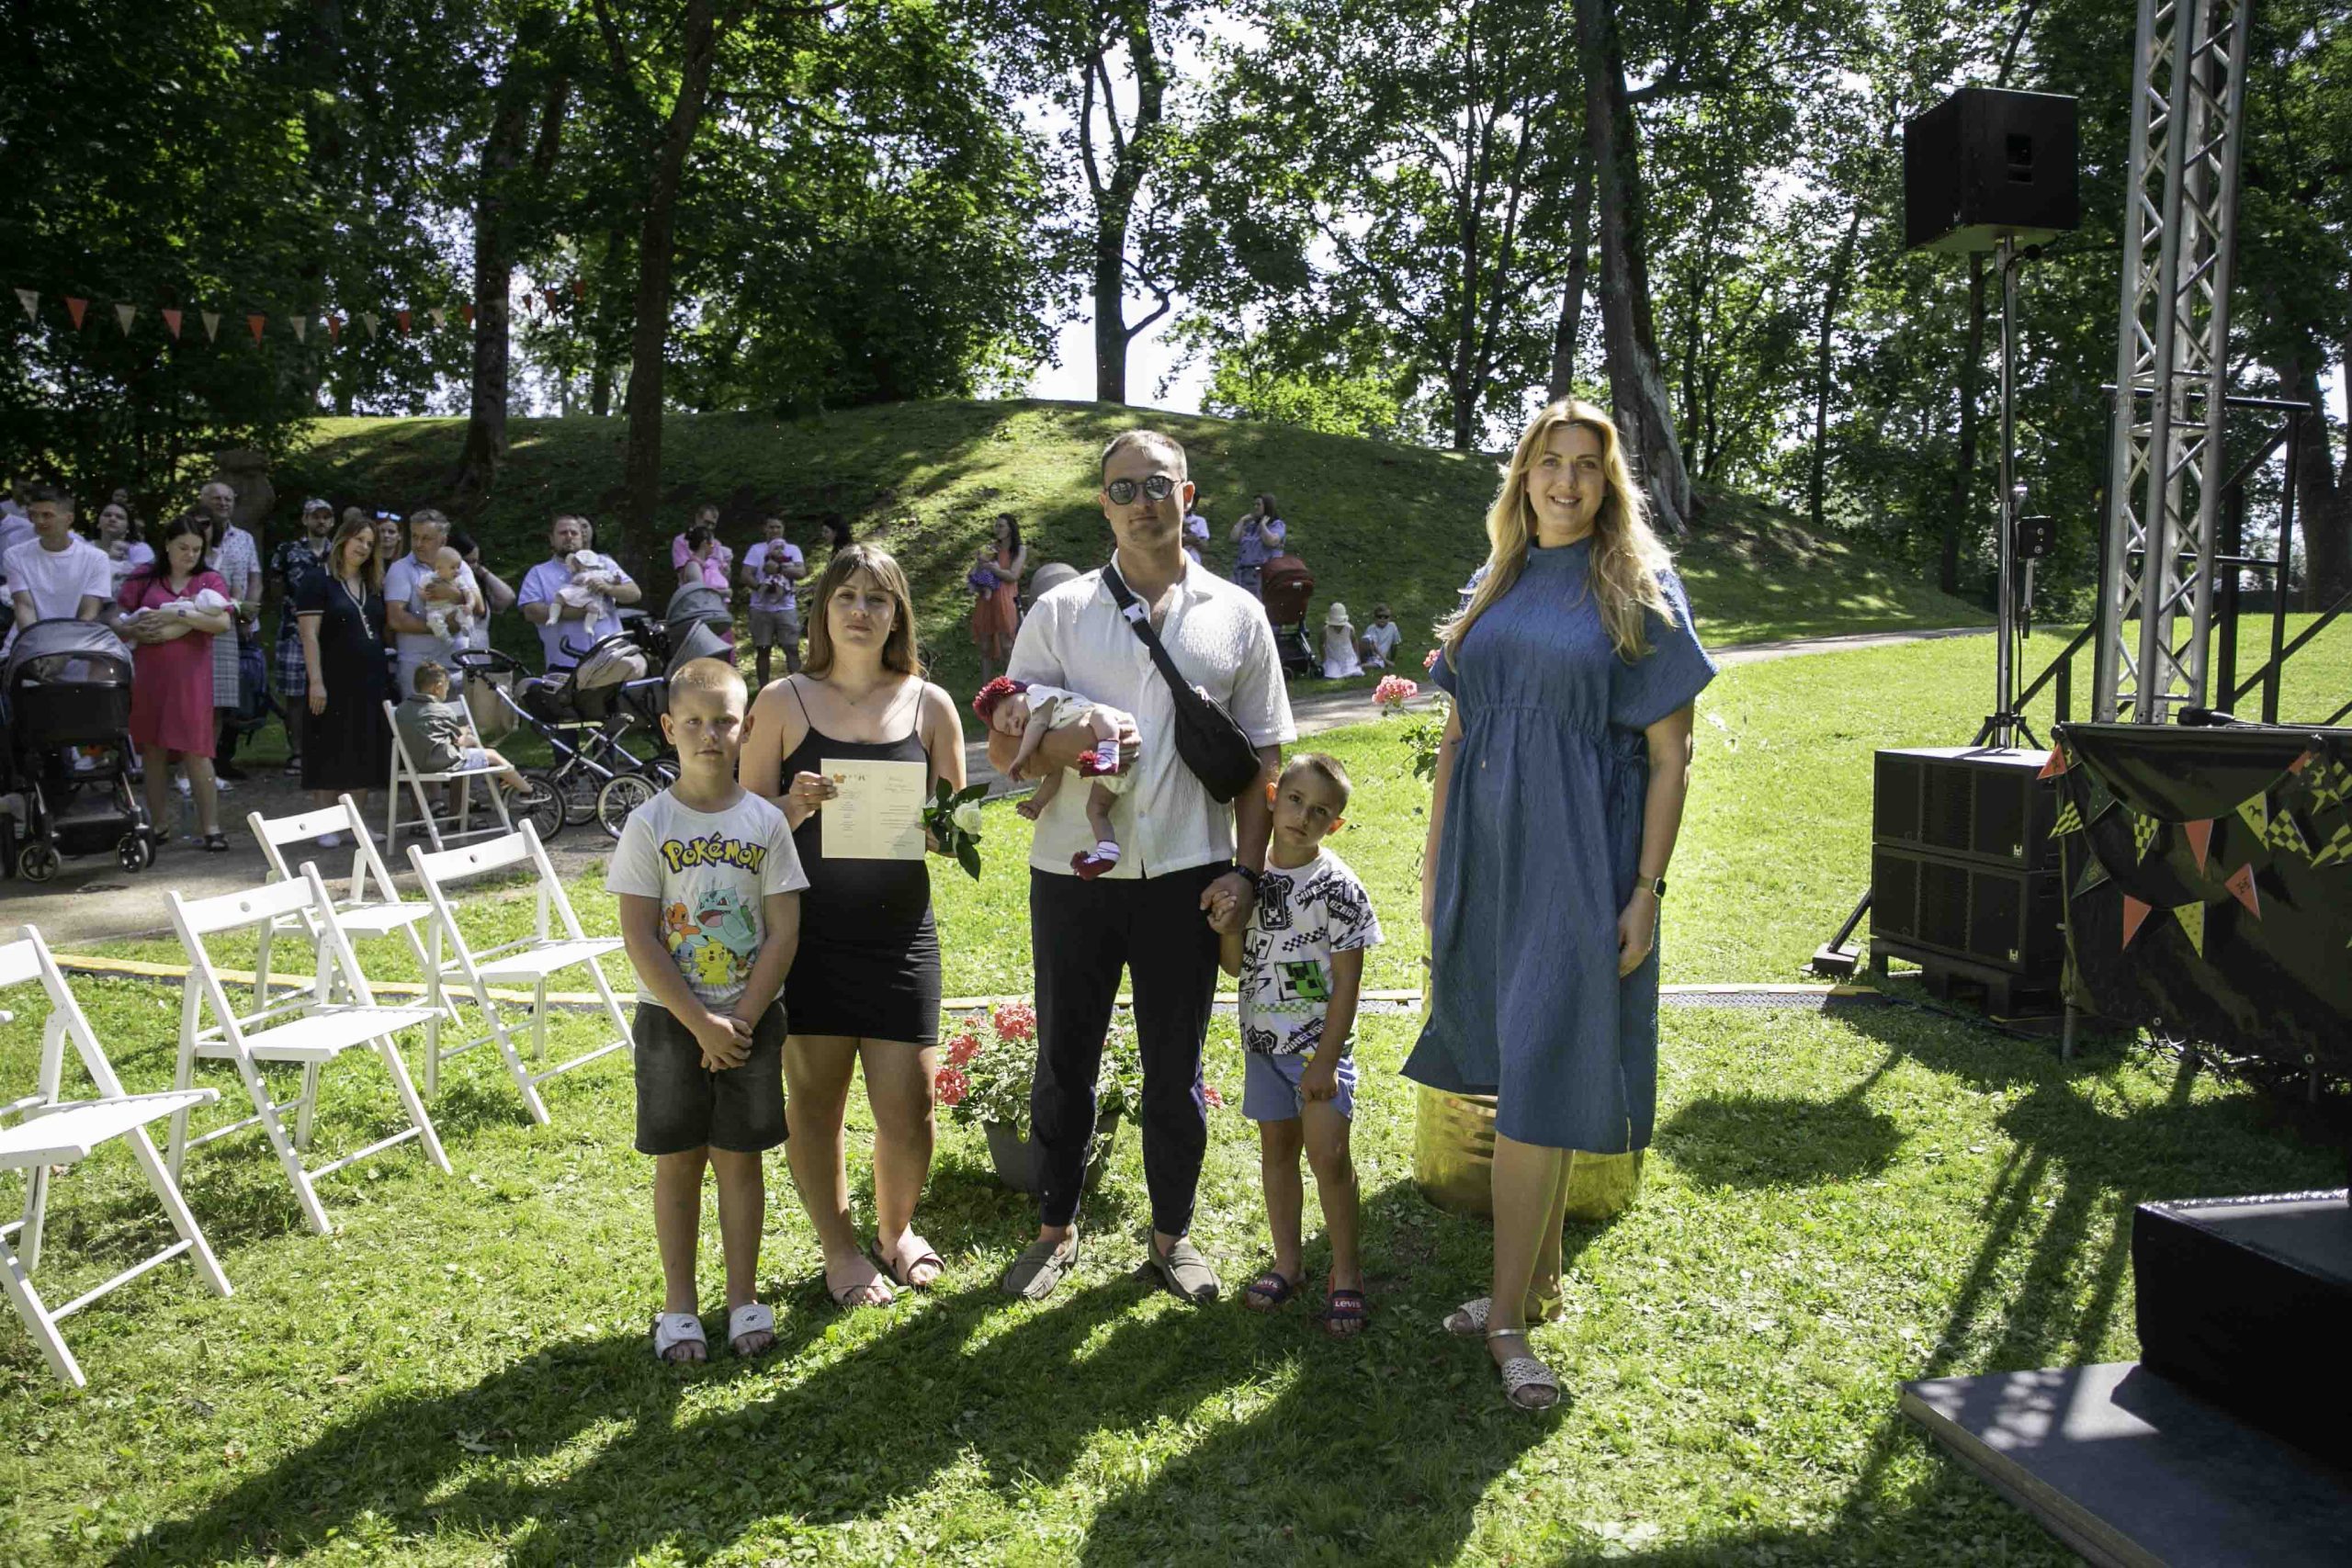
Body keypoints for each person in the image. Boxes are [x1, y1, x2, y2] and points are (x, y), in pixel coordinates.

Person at [1409, 399, 1715, 1412]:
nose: (1567, 481)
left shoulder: (1636, 584)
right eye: (1550, 461)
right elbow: (1457, 733)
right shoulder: (1495, 577)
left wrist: (1645, 891)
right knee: (1513, 1056)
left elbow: (1671, 757)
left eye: (1588, 464)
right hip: (1488, 851)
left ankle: (1505, 1321)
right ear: (1523, 475)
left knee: (1542, 1059)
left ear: (1609, 482)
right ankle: (1532, 1285)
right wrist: (1436, 866)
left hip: (1580, 855)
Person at [989, 430, 1294, 1305]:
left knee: (1176, 1068)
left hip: (1191, 873)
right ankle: (1055, 1228)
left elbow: (1262, 762)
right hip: (1073, 872)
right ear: (1104, 505)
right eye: (1123, 489)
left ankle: (1171, 1235)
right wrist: (1073, 740)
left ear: (1186, 497)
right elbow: (1008, 749)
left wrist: (1246, 874)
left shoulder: (1237, 613)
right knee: (1064, 1058)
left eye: (1157, 485)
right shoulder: (1059, 612)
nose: (1142, 503)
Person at [741, 543, 967, 1308]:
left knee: (912, 1104)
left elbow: (955, 828)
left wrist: (936, 826)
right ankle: (839, 1249)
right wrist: (792, 806)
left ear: (898, 613)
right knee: (816, 1104)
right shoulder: (782, 701)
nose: (861, 611)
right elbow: (744, 827)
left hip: (901, 935)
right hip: (806, 937)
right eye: (846, 596)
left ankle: (895, 1231)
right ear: (822, 611)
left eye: (877, 598)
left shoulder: (931, 705)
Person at [607, 657, 808, 1364]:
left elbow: (784, 930)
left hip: (751, 1022)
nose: (709, 734)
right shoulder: (648, 824)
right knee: (679, 1163)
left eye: (724, 720)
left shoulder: (766, 822)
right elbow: (639, 934)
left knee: (741, 1161)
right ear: (668, 728)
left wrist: (739, 1022)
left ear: (747, 727)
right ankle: (679, 1306)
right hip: (672, 1025)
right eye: (693, 722)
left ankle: (744, 1297)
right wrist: (701, 1024)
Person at [1211, 752, 1380, 1337]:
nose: (1303, 817)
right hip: (1264, 1048)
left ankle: (1347, 1274)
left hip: (1318, 1055)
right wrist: (1228, 926)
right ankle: (1289, 1264)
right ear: (1273, 796)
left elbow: (1348, 984)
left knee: (1329, 1157)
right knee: (1277, 1154)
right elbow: (1235, 966)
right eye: (1295, 800)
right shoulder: (1249, 878)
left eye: (1320, 812)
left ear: (1335, 824)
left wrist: (1326, 1061)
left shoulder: (1339, 889)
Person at [119, 514, 234, 852]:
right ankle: (158, 825)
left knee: (196, 749)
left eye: (197, 549)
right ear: (167, 544)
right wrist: (133, 630)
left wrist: (178, 614)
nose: (190, 555)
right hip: (150, 674)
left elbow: (222, 623)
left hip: (191, 678)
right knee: (153, 750)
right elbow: (117, 618)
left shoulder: (209, 580)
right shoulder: (143, 577)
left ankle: (211, 827)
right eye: (183, 547)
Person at [973, 675, 1132, 876]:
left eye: (1011, 711)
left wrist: (1021, 757)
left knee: (1100, 713)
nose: (1014, 721)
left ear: (1022, 692)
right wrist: (1037, 803)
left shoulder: (1039, 696)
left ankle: (1108, 753)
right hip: (1118, 772)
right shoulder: (1051, 732)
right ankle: (1107, 851)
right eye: (1008, 728)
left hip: (1118, 735)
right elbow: (1054, 774)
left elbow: (1038, 723)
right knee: (1095, 810)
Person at [296, 514, 393, 835]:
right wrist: (316, 682)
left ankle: (356, 825)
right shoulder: (317, 580)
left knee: (363, 748)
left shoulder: (372, 583)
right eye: (359, 539)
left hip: (370, 680)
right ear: (344, 539)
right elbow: (309, 635)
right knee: (329, 746)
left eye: (370, 543)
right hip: (332, 678)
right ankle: (325, 825)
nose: (363, 547)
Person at [197, 479, 262, 781]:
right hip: (203, 624)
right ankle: (198, 765)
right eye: (217, 498)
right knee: (202, 699)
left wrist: (248, 616)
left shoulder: (244, 538)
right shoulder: (192, 535)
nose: (223, 503)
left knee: (229, 696)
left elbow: (253, 578)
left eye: (228, 499)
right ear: (203, 501)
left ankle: (221, 762)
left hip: (239, 624)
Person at [518, 514, 642, 671]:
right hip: (566, 663)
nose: (569, 536)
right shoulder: (538, 573)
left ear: (582, 538)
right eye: (563, 533)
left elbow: (634, 593)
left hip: (612, 659)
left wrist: (609, 588)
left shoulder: (605, 563)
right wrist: (577, 612)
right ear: (552, 539)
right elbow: (531, 612)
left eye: (574, 533)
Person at [394, 661, 530, 796]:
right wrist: (465, 733)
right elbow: (458, 741)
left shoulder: (401, 710)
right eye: (446, 687)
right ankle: (527, 789)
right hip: (444, 762)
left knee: (468, 749)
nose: (447, 691)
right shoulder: (442, 710)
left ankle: (505, 781)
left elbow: (432, 733)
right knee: (492, 754)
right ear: (438, 687)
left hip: (417, 763)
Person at [270, 499, 335, 777]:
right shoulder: (287, 551)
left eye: (326, 516)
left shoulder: (340, 551)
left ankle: (325, 751)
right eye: (315, 516)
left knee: (330, 691)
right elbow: (275, 588)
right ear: (305, 520)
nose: (321, 521)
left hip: (331, 633)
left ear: (332, 521)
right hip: (293, 632)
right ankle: (298, 752)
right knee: (295, 695)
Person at [383, 510, 482, 693]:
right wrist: (441, 627)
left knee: (459, 713)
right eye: (414, 536)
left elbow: (479, 607)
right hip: (418, 670)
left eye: (426, 538)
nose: (418, 544)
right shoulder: (401, 569)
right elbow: (396, 619)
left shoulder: (459, 565)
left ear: (443, 541)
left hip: (457, 665)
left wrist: (454, 594)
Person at [5, 484, 110, 652]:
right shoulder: (15, 555)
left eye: (47, 515)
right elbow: (24, 607)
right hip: (26, 646)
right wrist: (37, 652)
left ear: (69, 518)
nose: (39, 521)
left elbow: (89, 613)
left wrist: (62, 653)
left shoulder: (96, 558)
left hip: (76, 647)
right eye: (33, 515)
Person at [741, 516, 805, 685]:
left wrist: (780, 568)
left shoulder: (793, 549)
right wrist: (762, 587)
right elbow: (746, 575)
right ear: (765, 529)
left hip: (786, 607)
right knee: (763, 650)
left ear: (783, 529)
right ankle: (763, 690)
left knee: (792, 648)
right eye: (771, 527)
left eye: (778, 527)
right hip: (760, 608)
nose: (775, 530)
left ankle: (799, 688)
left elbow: (801, 572)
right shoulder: (756, 549)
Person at [969, 513, 1026, 683]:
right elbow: (976, 570)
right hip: (987, 599)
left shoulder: (1019, 550)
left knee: (1007, 645)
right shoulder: (991, 548)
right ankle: (985, 688)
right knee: (985, 646)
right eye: (996, 526)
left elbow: (1013, 575)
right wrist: (980, 565)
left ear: (1010, 529)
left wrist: (993, 569)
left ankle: (1011, 685)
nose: (997, 529)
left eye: (1001, 526)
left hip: (1006, 598)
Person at [1228, 493, 1287, 599]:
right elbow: (1233, 538)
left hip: (1260, 575)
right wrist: (1242, 520)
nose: (1255, 507)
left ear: (1268, 506)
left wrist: (1263, 525)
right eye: (1254, 504)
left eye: (1258, 504)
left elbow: (1271, 541)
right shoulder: (1251, 526)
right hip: (1240, 573)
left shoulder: (1277, 525)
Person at [93, 498, 153, 601]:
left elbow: (143, 580)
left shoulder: (140, 549)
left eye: (120, 517)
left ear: (128, 527)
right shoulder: (85, 548)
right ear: (98, 523)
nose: (112, 519)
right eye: (107, 515)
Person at [1320, 602, 1363, 680]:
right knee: (1331, 673)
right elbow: (1321, 644)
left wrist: (1357, 657)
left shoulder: (1349, 628)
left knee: (1353, 671)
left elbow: (1354, 641)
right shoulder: (1326, 630)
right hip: (1333, 658)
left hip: (1347, 657)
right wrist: (1324, 658)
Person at [1358, 604, 1401, 671]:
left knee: (1378, 663)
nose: (1382, 619)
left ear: (1390, 618)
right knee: (1366, 640)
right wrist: (1387, 661)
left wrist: (1392, 659)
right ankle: (1359, 664)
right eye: (1379, 616)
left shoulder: (1392, 627)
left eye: (1386, 617)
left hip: (1380, 658)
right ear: (1375, 617)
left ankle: (1360, 666)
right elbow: (1371, 647)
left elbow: (1395, 644)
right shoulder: (1371, 628)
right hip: (1371, 654)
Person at [1182, 502, 1210, 566]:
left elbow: (1205, 547)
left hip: (1194, 561)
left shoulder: (1200, 521)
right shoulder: (1171, 520)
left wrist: (1195, 540)